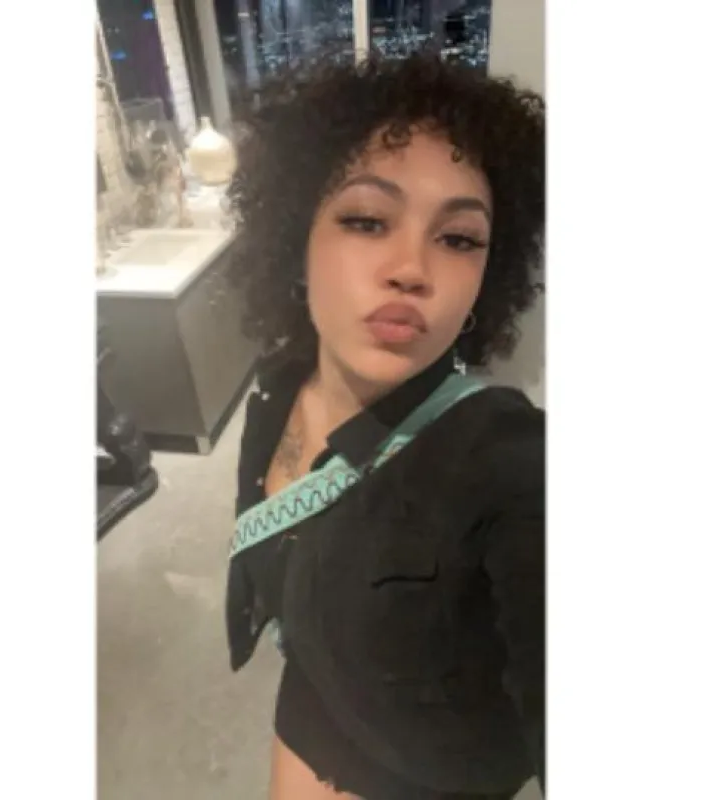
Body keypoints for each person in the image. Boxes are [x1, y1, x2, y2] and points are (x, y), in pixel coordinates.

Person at [224, 50, 545, 800]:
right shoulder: (276, 388)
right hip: (311, 710)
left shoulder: (506, 466)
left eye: (458, 238)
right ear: (296, 240)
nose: (411, 268)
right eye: (366, 220)